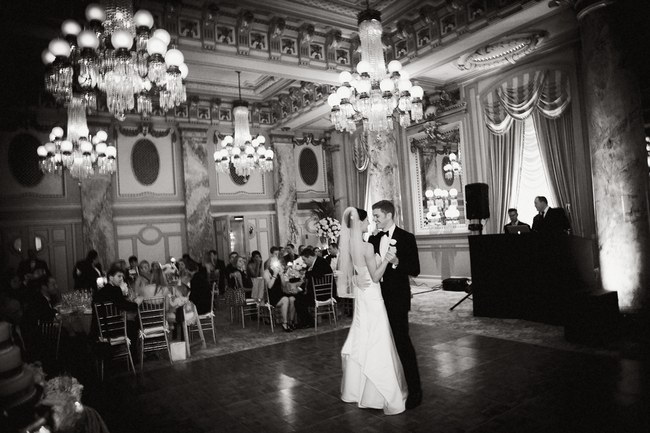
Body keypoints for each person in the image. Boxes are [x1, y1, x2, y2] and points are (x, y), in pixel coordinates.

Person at [339, 207, 408, 415]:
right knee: (377, 337)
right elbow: (376, 276)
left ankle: (355, 388)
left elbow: (349, 271)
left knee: (363, 334)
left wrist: (353, 278)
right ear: (359, 222)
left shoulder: (349, 245)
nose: (369, 222)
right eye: (367, 219)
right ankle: (378, 391)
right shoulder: (367, 247)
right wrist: (387, 258)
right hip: (372, 295)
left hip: (362, 295)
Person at [368, 200, 422, 410]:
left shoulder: (406, 238)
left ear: (389, 215)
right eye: (373, 217)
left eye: (377, 216)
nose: (375, 220)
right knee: (381, 344)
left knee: (402, 343)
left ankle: (416, 390)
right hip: (376, 298)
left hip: (397, 299)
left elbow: (415, 269)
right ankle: (387, 388)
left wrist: (397, 262)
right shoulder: (373, 238)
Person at [263, 260, 295, 332]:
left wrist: (281, 274)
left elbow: (283, 285)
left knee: (292, 299)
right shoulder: (266, 272)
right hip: (272, 296)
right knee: (285, 299)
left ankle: (291, 321)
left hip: (280, 293)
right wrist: (274, 275)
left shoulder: (279, 270)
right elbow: (270, 286)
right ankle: (285, 323)